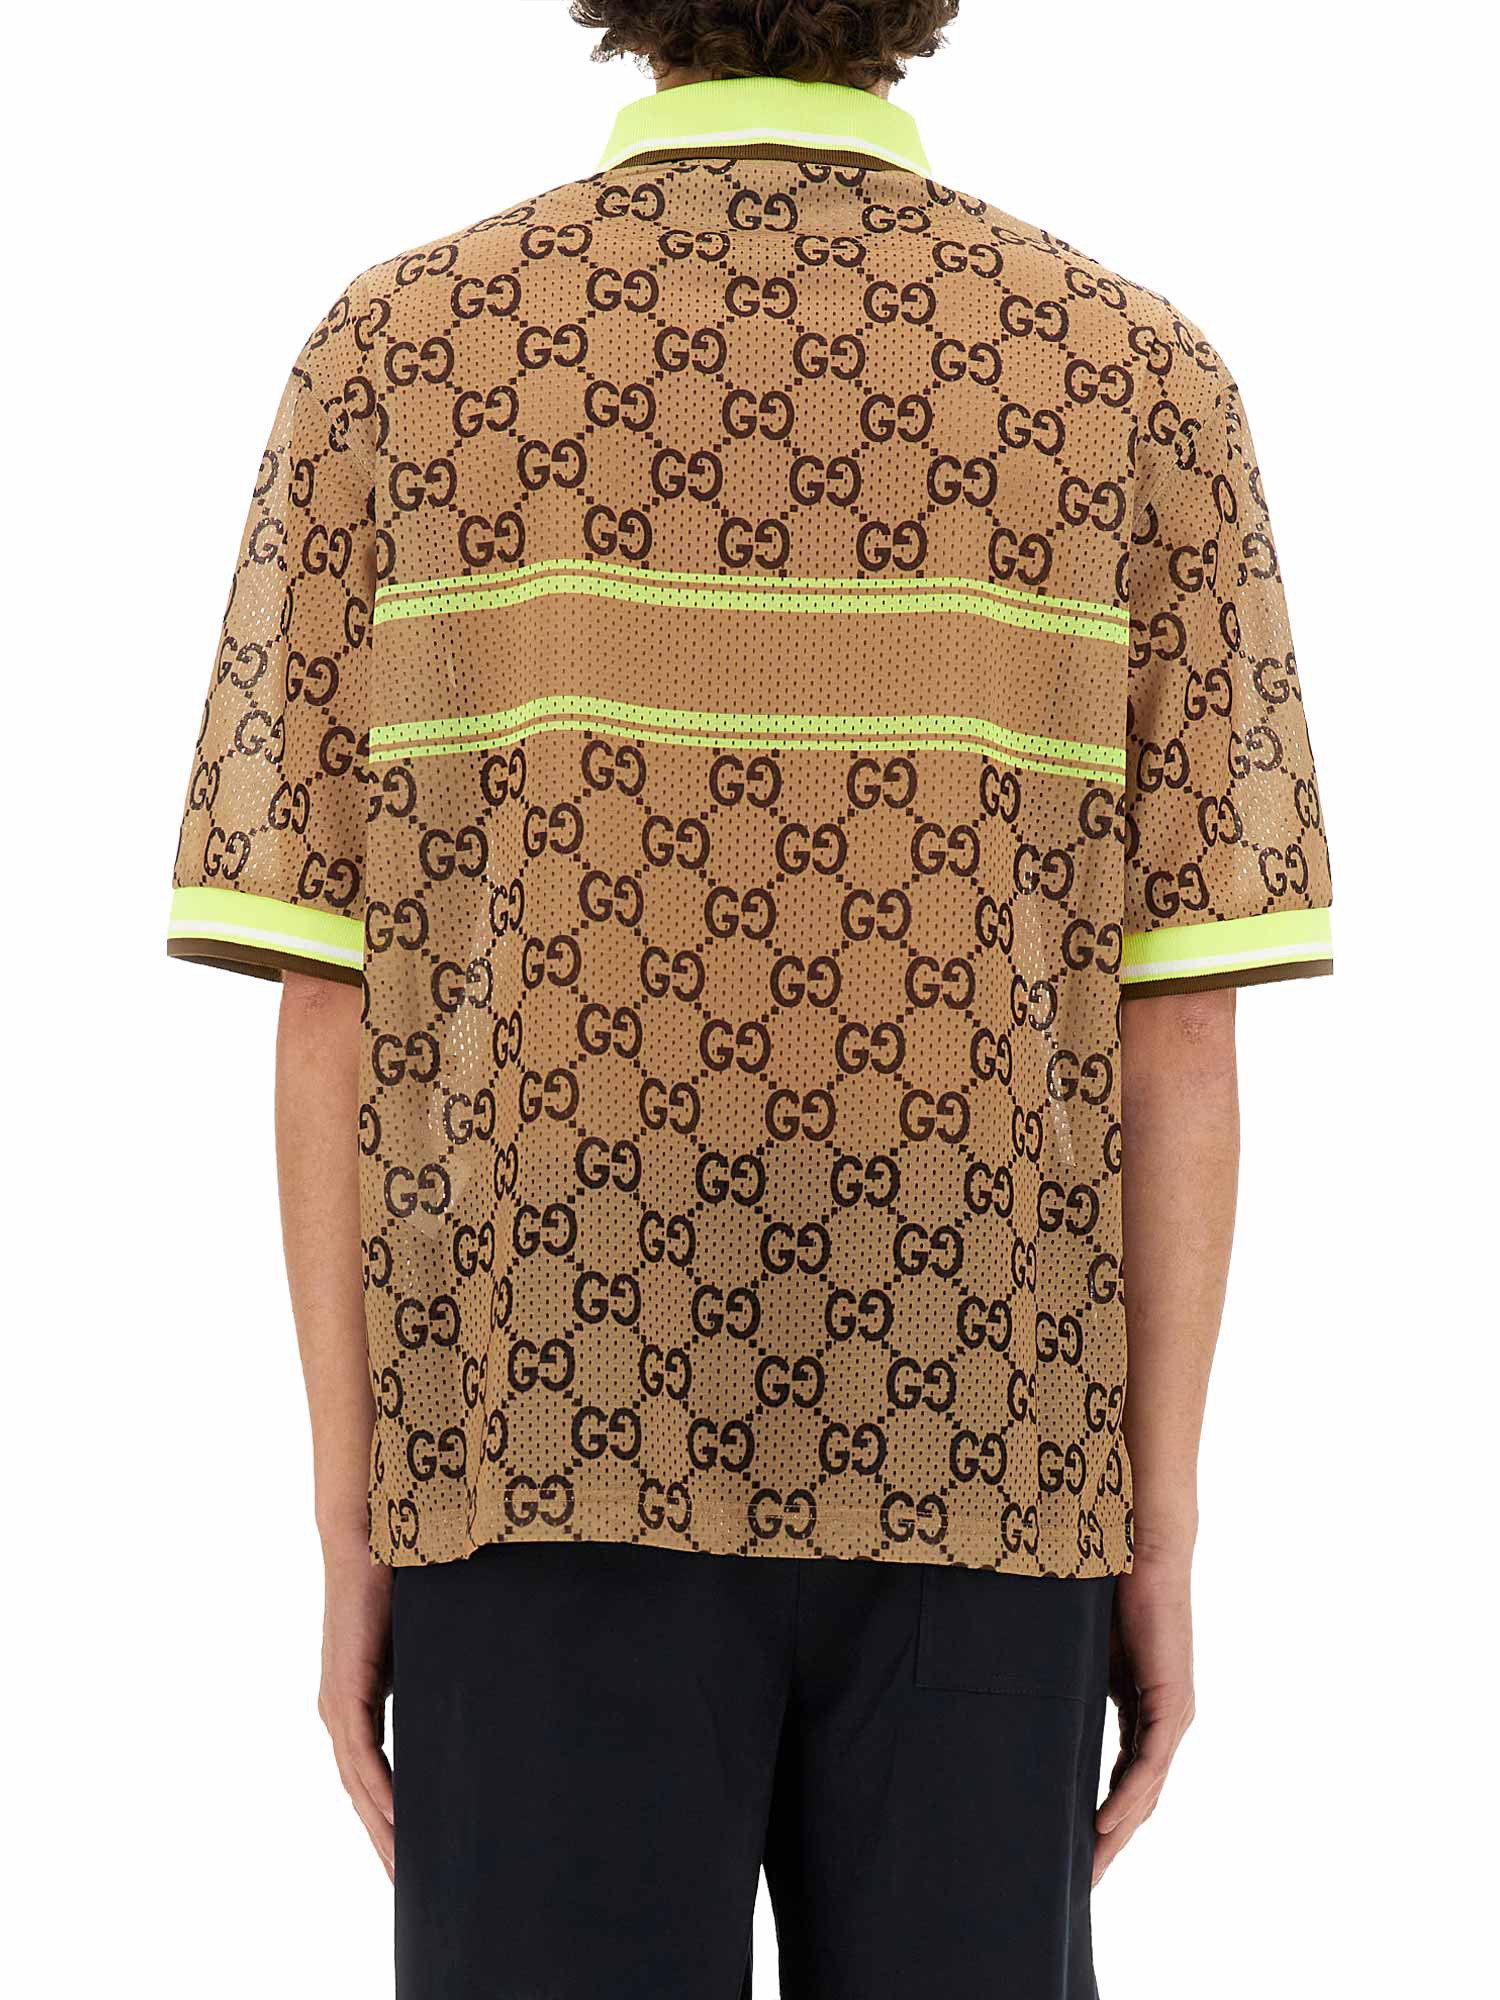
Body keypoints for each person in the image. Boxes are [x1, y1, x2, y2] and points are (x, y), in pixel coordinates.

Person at [166, 2, 1333, 1992]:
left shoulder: (400, 355)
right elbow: (1184, 1025)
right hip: (986, 1433)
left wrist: (353, 1519)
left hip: (536, 1427)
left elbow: (333, 1006)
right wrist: (1159, 1530)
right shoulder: (1130, 374)